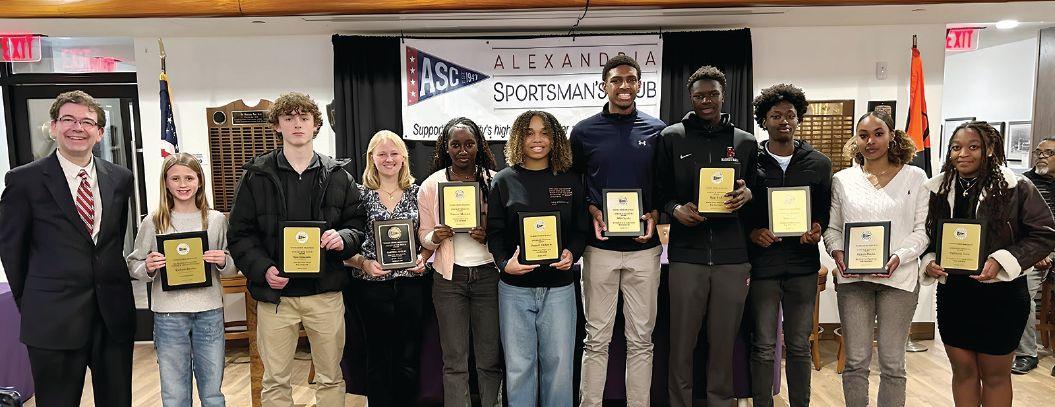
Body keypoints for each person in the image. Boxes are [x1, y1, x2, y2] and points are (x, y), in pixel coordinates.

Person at [227, 92, 364, 407]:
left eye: (304, 118)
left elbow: (357, 224)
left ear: (316, 125)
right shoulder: (256, 176)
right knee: (275, 381)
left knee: (331, 378)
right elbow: (240, 235)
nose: (297, 124)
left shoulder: (339, 176)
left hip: (325, 295)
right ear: (277, 125)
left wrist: (343, 238)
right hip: (276, 298)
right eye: (289, 118)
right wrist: (263, 269)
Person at [0, 90, 135, 407]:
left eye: (87, 122)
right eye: (69, 120)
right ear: (54, 127)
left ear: (99, 132)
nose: (78, 128)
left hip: (112, 316)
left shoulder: (120, 178)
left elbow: (113, 241)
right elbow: (12, 250)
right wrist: (32, 302)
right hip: (53, 318)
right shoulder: (24, 181)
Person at [920, 121, 1055, 406]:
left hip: (1002, 294)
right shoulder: (937, 189)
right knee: (963, 372)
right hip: (955, 293)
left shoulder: (1016, 186)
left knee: (995, 376)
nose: (962, 154)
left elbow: (1044, 234)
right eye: (956, 147)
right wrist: (929, 260)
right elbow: (926, 236)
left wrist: (1002, 260)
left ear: (990, 149)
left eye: (973, 147)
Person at [654, 65, 756, 407]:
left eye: (713, 94)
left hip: (732, 259)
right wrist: (675, 209)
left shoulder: (745, 141)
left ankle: (720, 402)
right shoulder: (672, 137)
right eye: (699, 96)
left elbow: (756, 193)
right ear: (690, 98)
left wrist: (748, 195)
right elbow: (659, 191)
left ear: (723, 95)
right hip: (687, 257)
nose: (706, 101)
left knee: (723, 345)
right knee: (681, 345)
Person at [570, 54, 665, 407]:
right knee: (596, 339)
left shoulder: (658, 130)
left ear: (639, 85)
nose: (624, 86)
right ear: (604, 86)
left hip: (644, 250)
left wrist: (655, 212)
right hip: (600, 250)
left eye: (630, 80)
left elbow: (664, 185)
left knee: (641, 340)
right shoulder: (583, 132)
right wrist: (592, 209)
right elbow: (574, 186)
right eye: (616, 80)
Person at [822, 110, 929, 407]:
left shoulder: (915, 177)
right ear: (856, 139)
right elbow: (832, 228)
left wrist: (899, 257)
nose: (870, 141)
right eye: (864, 135)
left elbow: (923, 231)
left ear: (892, 136)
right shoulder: (842, 180)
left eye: (878, 134)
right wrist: (837, 252)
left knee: (893, 363)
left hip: (899, 280)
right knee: (855, 361)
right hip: (854, 281)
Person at [487, 110, 589, 407]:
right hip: (515, 290)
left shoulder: (570, 180)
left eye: (544, 132)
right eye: (529, 133)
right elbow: (494, 233)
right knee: (519, 368)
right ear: (519, 138)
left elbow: (581, 229)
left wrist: (572, 253)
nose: (537, 139)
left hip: (559, 288)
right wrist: (505, 264)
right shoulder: (504, 181)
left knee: (559, 368)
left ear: (555, 139)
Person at [745, 84, 832, 407]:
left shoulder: (819, 163)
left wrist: (817, 228)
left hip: (802, 267)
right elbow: (740, 212)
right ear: (763, 121)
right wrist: (753, 233)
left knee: (798, 344)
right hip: (763, 266)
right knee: (764, 345)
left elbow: (824, 211)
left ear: (799, 119)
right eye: (776, 115)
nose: (784, 121)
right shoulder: (750, 161)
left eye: (790, 115)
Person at [127, 153, 236, 407]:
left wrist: (223, 261)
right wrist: (148, 267)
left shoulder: (216, 220)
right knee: (174, 394)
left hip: (209, 312)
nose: (183, 184)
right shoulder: (153, 221)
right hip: (168, 316)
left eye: (189, 178)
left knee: (212, 392)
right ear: (165, 183)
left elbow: (232, 268)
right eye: (175, 178)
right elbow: (134, 264)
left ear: (199, 181)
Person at [416, 117, 503, 406]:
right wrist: (436, 236)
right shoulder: (432, 185)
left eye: (469, 144)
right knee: (454, 360)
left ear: (479, 146)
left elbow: (507, 232)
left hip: (488, 276)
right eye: (456, 145)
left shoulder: (495, 181)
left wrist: (489, 235)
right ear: (446, 147)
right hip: (448, 279)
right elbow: (423, 235)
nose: (463, 150)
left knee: (489, 359)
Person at [345, 130, 429, 407]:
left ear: (404, 158)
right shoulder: (358, 195)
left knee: (409, 355)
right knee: (377, 356)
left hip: (411, 284)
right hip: (371, 286)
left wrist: (424, 257)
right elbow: (346, 243)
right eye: (382, 154)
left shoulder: (418, 193)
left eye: (394, 153)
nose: (388, 159)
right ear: (372, 158)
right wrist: (363, 263)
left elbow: (428, 236)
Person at [1012, 136, 1055, 375]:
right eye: (1038, 152)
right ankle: (1027, 353)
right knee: (1021, 293)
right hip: (1034, 250)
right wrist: (1037, 252)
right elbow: (1015, 225)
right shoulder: (1024, 183)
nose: (1041, 157)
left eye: (1048, 153)